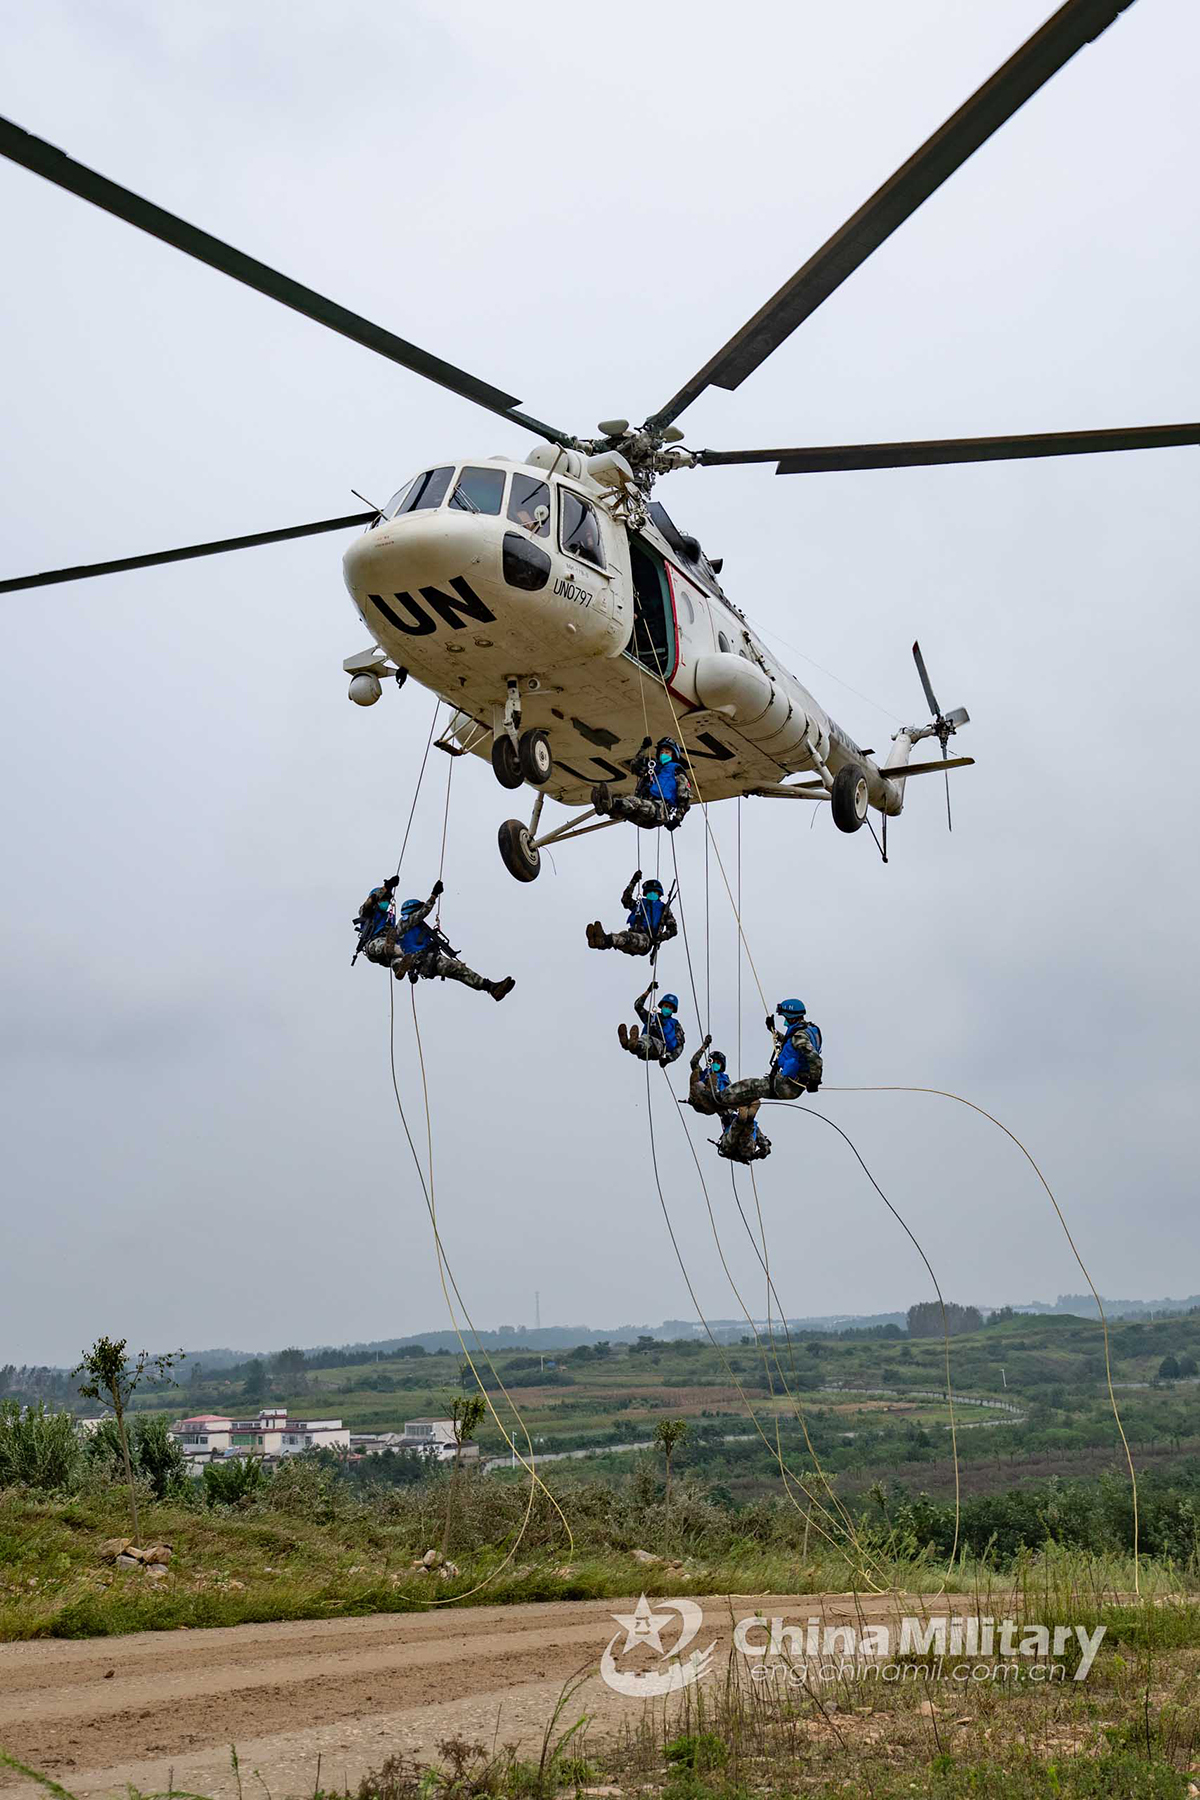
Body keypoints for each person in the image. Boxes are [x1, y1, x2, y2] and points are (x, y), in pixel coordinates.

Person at [366, 879, 515, 1001]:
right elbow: (370, 904)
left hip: (427, 959)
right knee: (392, 949)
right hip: (415, 959)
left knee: (457, 969)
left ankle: (491, 987)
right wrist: (432, 896)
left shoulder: (403, 927)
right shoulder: (400, 922)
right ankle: (398, 965)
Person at [715, 999, 824, 1108]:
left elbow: (815, 1059)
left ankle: (718, 1099)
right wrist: (773, 1030)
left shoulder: (799, 1037)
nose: (785, 1021)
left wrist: (814, 1081)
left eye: (786, 1018)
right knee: (752, 1092)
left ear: (792, 1018)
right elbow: (790, 1043)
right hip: (793, 1083)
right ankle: (732, 1104)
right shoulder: (807, 1030)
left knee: (750, 1086)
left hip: (789, 1085)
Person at [591, 736, 692, 831]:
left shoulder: (677, 771)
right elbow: (635, 767)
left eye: (667, 752)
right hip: (644, 814)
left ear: (673, 755)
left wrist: (677, 819)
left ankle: (610, 803)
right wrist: (643, 748)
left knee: (632, 801)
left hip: (658, 811)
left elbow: (685, 798)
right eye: (661, 752)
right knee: (623, 810)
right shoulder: (653, 768)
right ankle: (603, 807)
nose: (663, 754)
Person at [586, 870, 677, 957]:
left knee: (627, 937)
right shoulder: (640, 904)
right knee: (624, 937)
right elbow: (625, 900)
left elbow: (673, 929)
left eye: (654, 892)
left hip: (646, 940)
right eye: (649, 892)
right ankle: (598, 940)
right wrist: (633, 881)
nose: (652, 894)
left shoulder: (664, 909)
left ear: (659, 894)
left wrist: (661, 937)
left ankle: (603, 941)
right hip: (633, 936)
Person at [617, 981, 685, 1064]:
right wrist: (648, 991)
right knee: (642, 1042)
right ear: (662, 1006)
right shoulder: (652, 1018)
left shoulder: (675, 1025)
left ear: (673, 1010)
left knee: (646, 1040)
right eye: (666, 1006)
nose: (667, 1008)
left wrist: (668, 1059)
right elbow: (638, 1006)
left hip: (659, 1048)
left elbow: (680, 1045)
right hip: (645, 1048)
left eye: (670, 1007)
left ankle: (633, 1044)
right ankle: (628, 1044)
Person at [352, 874, 399, 964]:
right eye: (382, 900)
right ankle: (388, 948)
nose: (385, 902)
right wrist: (387, 887)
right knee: (383, 945)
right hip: (373, 944)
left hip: (389, 950)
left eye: (387, 900)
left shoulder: (390, 917)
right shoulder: (368, 912)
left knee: (399, 954)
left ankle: (400, 966)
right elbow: (370, 901)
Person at [687, 1036, 729, 1114]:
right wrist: (704, 1046)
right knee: (695, 1071)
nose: (715, 1064)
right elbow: (693, 1062)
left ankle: (710, 1096)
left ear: (722, 1066)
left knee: (713, 1076)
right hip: (698, 1101)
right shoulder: (704, 1073)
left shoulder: (724, 1078)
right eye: (713, 1062)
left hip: (711, 1104)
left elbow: (729, 1093)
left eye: (718, 1063)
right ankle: (693, 1097)